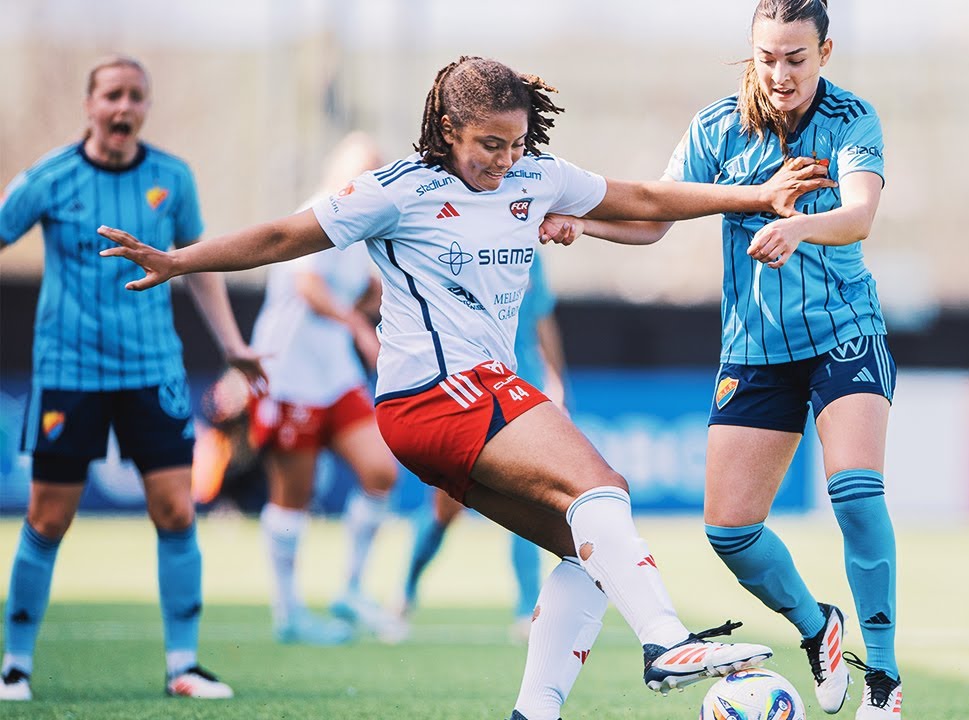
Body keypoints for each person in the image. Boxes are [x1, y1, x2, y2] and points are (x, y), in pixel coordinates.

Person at [98, 55, 834, 720]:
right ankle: (667, 641)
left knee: (590, 551)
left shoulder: (537, 176)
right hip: (434, 392)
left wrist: (754, 196)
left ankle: (534, 713)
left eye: (516, 143)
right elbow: (286, 237)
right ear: (448, 130)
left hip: (471, 396)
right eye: (490, 144)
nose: (505, 160)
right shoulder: (399, 190)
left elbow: (644, 197)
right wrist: (182, 260)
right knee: (602, 489)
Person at [541, 2, 903, 717]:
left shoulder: (852, 119)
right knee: (730, 531)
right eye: (767, 57)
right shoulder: (717, 127)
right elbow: (656, 216)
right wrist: (584, 223)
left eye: (796, 58)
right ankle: (818, 626)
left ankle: (884, 683)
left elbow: (860, 215)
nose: (780, 73)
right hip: (756, 348)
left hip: (845, 333)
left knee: (856, 492)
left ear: (825, 53)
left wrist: (800, 228)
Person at [0, 55, 261, 701]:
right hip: (69, 374)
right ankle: (15, 667)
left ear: (146, 107)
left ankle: (183, 667)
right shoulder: (50, 177)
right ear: (90, 105)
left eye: (136, 96)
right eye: (113, 95)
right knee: (47, 518)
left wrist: (233, 346)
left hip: (152, 371)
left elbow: (197, 264)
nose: (124, 107)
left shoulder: (172, 177)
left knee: (176, 510)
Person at [246, 132, 401, 645]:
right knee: (294, 495)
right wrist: (357, 326)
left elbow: (364, 290)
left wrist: (382, 296)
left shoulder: (362, 231)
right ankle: (288, 610)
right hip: (289, 372)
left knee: (381, 471)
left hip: (333, 373)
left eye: (377, 171)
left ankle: (351, 589)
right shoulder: (317, 212)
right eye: (362, 169)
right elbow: (307, 285)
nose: (369, 179)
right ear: (338, 172)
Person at [398, 249, 565, 643]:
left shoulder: (529, 251)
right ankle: (404, 592)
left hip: (523, 388)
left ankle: (527, 610)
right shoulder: (460, 242)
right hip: (469, 388)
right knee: (446, 506)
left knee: (529, 497)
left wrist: (557, 380)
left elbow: (542, 320)